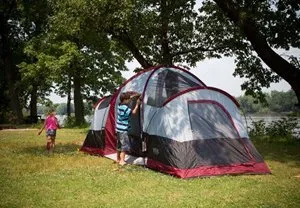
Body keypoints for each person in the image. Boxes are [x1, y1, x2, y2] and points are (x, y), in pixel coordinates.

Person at [116, 92, 141, 166]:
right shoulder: (125, 108)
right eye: (128, 99)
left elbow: (127, 98)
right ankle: (122, 161)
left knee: (119, 145)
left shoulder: (119, 105)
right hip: (123, 130)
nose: (129, 101)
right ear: (125, 100)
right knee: (124, 146)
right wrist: (137, 104)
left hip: (118, 129)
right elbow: (133, 112)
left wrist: (133, 96)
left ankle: (118, 159)